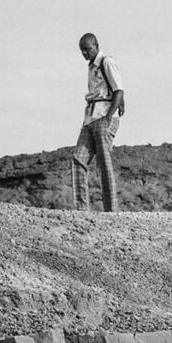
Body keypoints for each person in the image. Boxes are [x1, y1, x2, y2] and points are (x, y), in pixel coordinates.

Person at [72, 32, 124, 212]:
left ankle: (111, 212)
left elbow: (118, 90)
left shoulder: (106, 62)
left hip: (103, 117)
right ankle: (81, 210)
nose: (85, 53)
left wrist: (108, 118)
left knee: (104, 163)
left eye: (88, 48)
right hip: (90, 118)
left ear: (96, 45)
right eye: (82, 50)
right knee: (78, 158)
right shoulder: (91, 67)